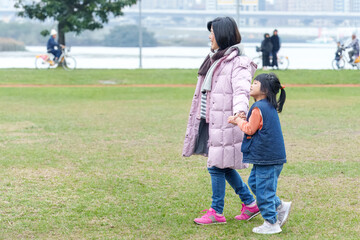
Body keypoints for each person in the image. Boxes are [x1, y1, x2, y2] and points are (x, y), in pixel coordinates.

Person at [182, 16, 259, 225]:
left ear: (222, 36)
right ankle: (250, 204)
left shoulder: (238, 63)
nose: (210, 37)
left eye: (213, 33)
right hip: (211, 120)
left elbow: (242, 91)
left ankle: (217, 211)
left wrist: (240, 113)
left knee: (215, 165)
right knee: (222, 165)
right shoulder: (215, 59)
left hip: (227, 121)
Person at [228, 73, 292, 234]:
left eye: (255, 83)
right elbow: (256, 124)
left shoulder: (259, 107)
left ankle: (271, 223)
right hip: (269, 157)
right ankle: (279, 205)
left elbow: (250, 129)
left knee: (263, 190)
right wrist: (244, 118)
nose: (251, 85)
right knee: (256, 184)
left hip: (267, 158)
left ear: (264, 89)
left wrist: (238, 121)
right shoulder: (265, 106)